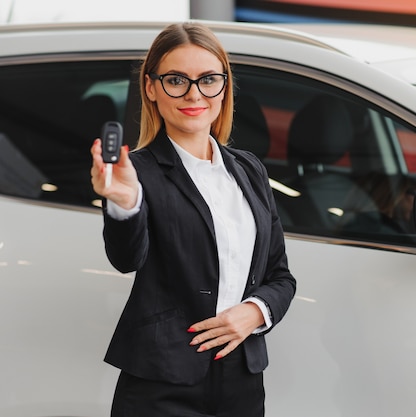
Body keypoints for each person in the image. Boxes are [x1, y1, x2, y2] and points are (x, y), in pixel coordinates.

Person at [90, 22, 297, 417]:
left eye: (208, 80)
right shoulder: (136, 173)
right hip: (161, 383)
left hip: (242, 378)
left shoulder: (249, 170)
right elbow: (126, 258)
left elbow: (281, 277)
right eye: (175, 80)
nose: (193, 93)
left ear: (224, 86)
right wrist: (125, 202)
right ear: (150, 88)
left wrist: (254, 312)